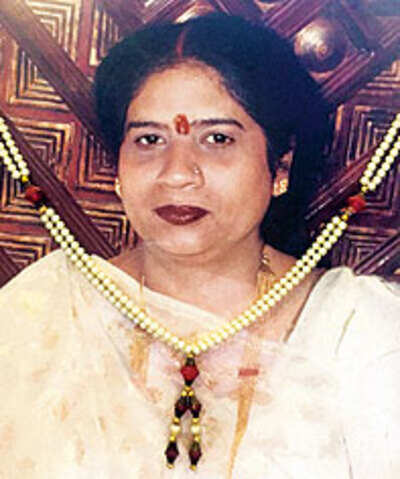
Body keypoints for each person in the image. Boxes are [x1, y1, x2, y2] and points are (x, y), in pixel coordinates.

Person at [0, 12, 399, 479]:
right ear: (118, 169)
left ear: (280, 168)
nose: (177, 173)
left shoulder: (359, 330)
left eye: (218, 139)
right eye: (149, 139)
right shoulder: (41, 313)